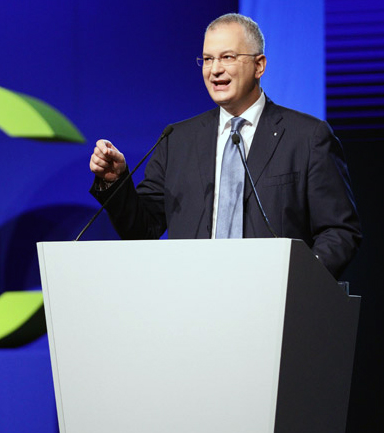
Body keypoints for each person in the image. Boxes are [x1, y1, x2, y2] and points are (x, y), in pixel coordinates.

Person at [89, 13, 361, 279]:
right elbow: (143, 230)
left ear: (259, 65)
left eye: (228, 57)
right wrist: (115, 182)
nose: (215, 69)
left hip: (272, 297)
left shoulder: (307, 137)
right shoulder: (176, 140)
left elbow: (339, 230)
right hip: (192, 295)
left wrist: (300, 280)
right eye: (208, 59)